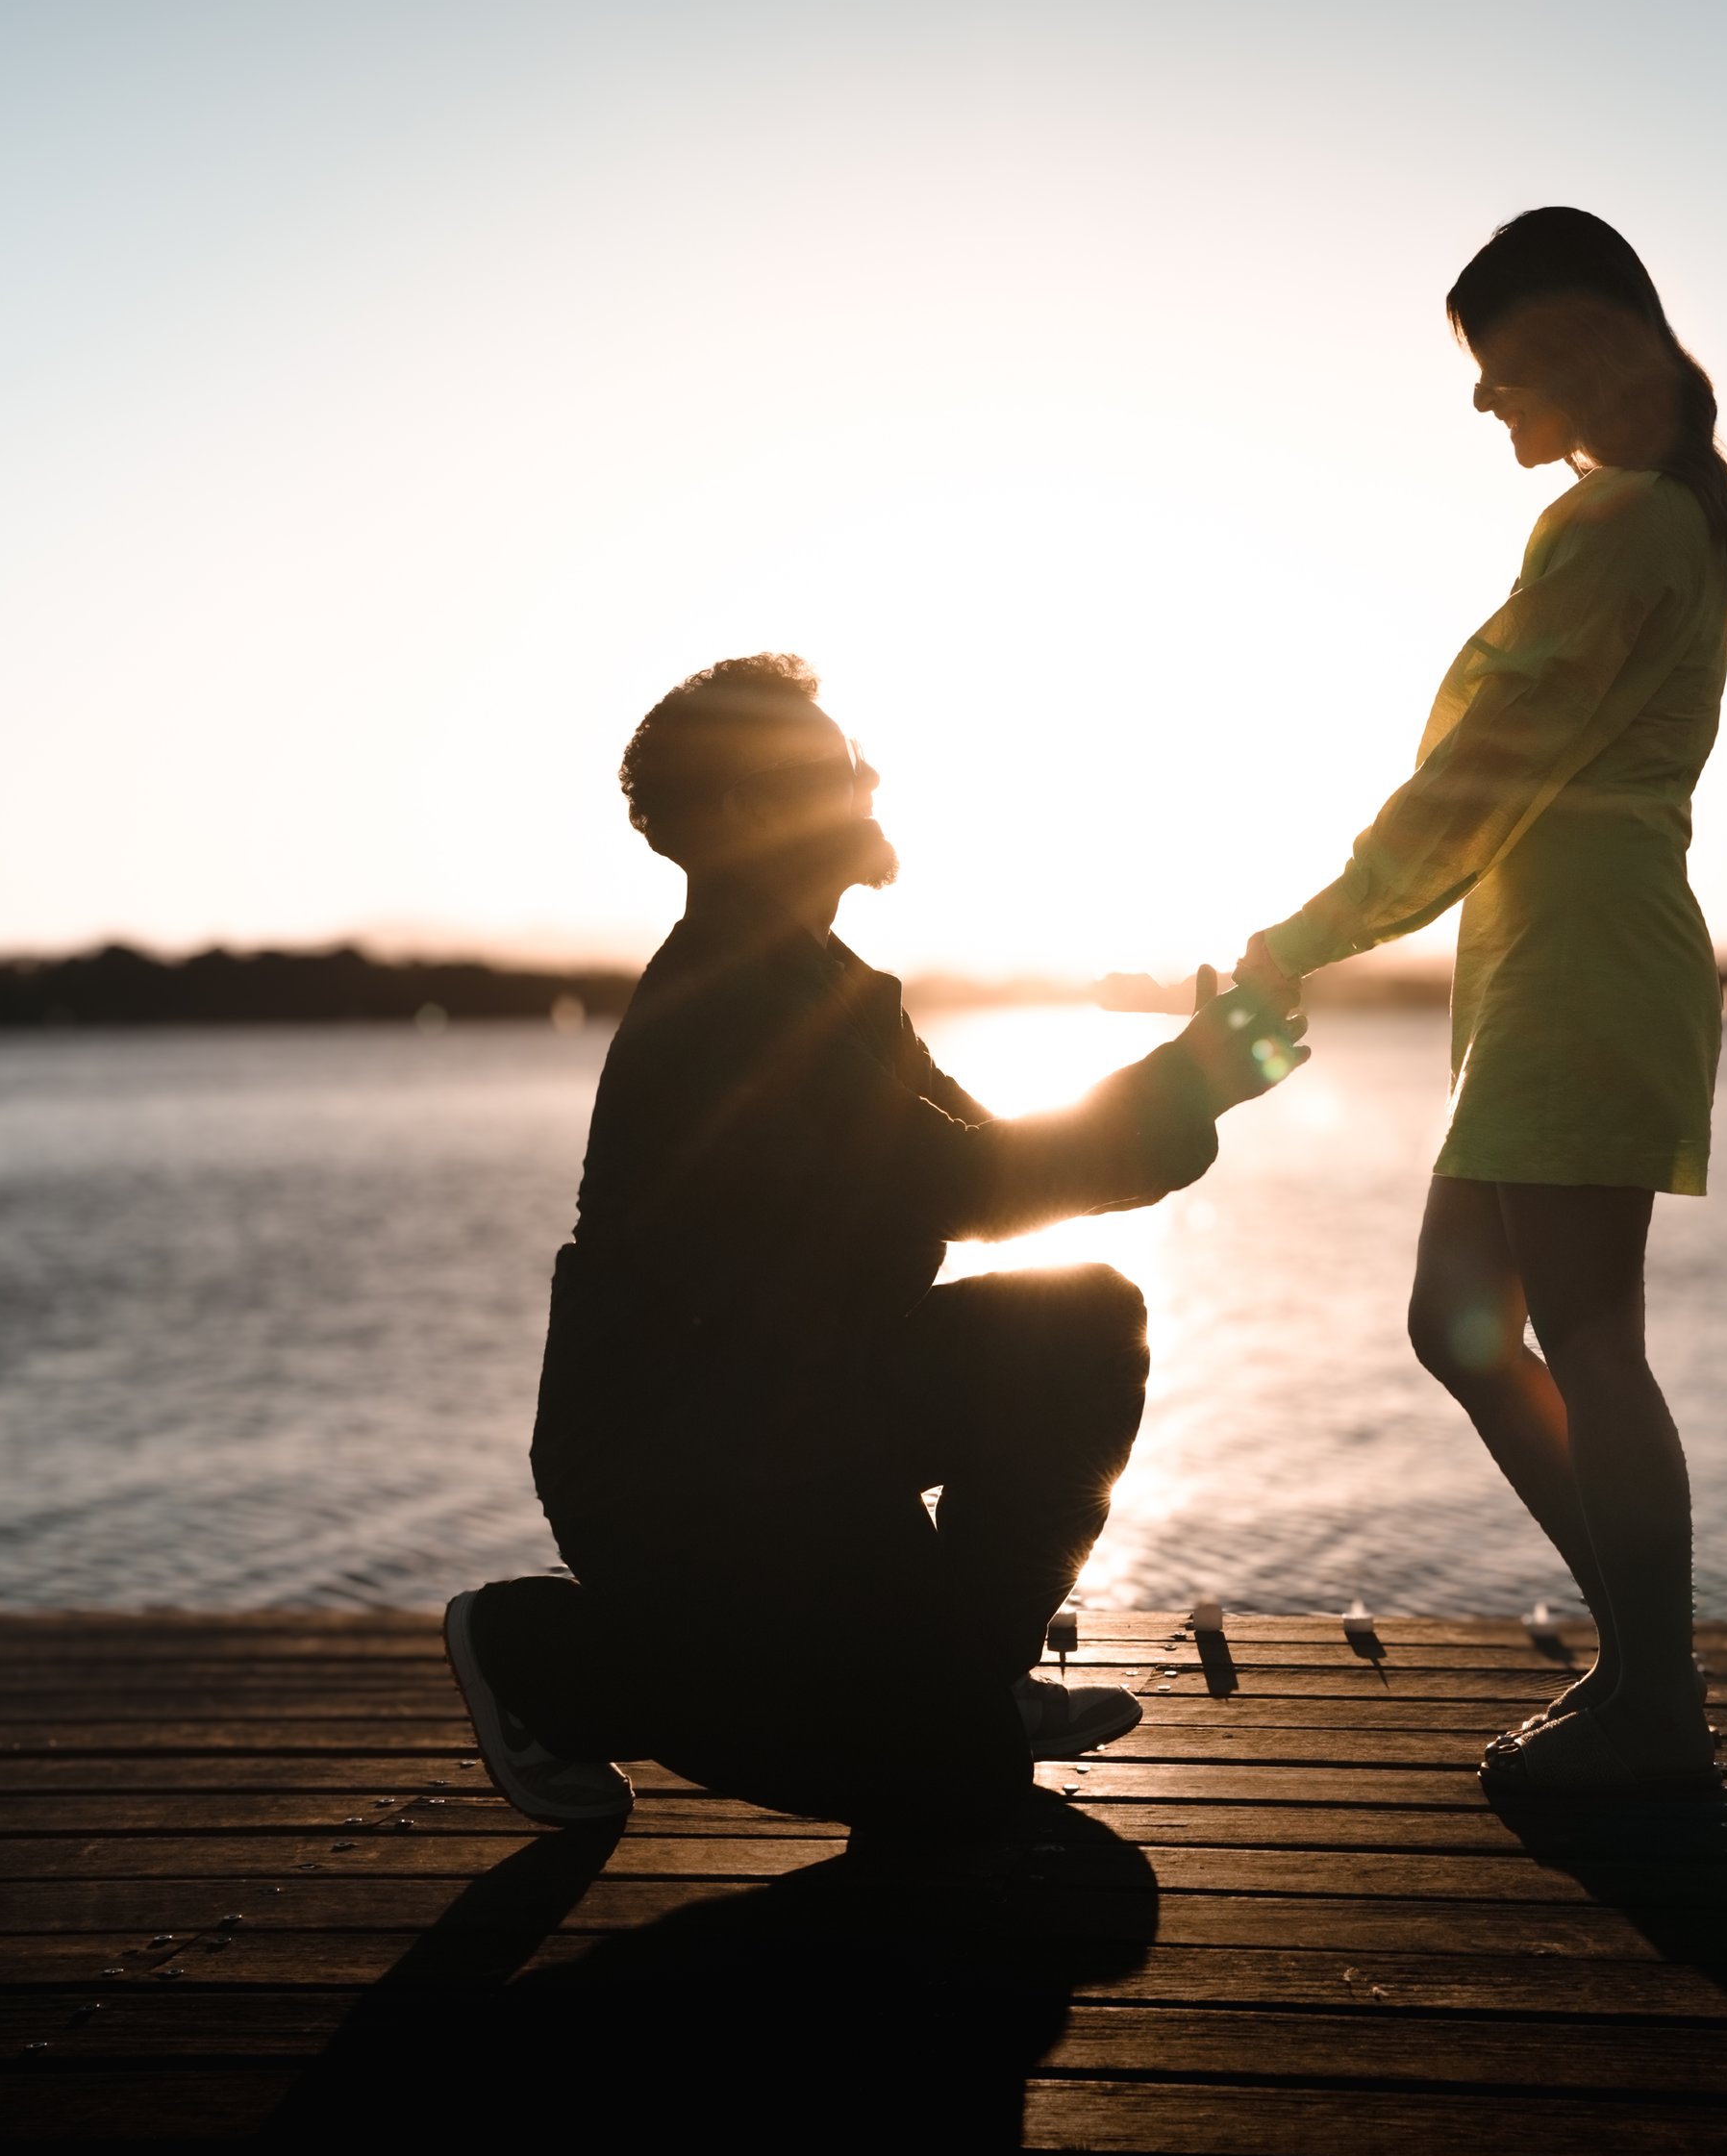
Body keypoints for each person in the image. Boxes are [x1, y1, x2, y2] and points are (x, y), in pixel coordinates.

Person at [445, 651, 1305, 1830]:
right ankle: (536, 1649)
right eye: (830, 766)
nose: (867, 777)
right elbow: (966, 1179)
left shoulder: (834, 989)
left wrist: (1193, 1087)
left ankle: (955, 1686)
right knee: (927, 1777)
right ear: (745, 811)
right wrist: (1187, 1083)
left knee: (1082, 1326)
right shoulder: (733, 1004)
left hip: (806, 1418)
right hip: (678, 1472)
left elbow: (994, 1162)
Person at [1240, 208, 1727, 1799]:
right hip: (1551, 969)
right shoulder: (1641, 518)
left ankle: (1656, 1701)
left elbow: (1482, 773)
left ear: (1582, 348)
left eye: (1499, 367)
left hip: (1585, 972)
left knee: (1586, 1335)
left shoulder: (1619, 522)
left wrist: (1309, 931)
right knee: (1457, 1322)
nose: (1483, 402)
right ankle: (1645, 1669)